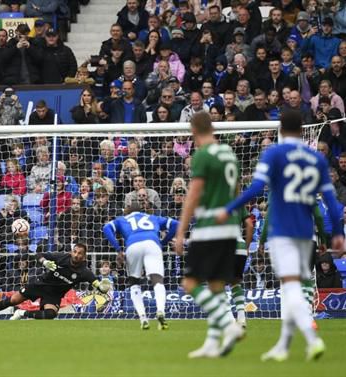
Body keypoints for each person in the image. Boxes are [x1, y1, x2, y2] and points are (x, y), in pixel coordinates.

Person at [216, 109, 344, 361]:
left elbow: (255, 189)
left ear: (281, 128)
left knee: (290, 286)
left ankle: (311, 337)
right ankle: (284, 345)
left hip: (283, 233)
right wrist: (337, 232)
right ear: (301, 128)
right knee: (296, 285)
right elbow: (329, 199)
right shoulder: (315, 158)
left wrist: (229, 208)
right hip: (306, 234)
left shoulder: (273, 153)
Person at [174, 111, 244, 358]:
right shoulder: (229, 153)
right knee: (216, 286)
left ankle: (228, 326)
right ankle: (213, 343)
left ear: (193, 130)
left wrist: (181, 231)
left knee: (190, 283)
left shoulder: (202, 155)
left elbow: (193, 194)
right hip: (231, 227)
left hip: (209, 227)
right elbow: (237, 191)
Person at [0, 243, 111, 320]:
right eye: (75, 251)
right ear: (71, 252)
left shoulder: (84, 272)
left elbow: (97, 285)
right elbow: (39, 254)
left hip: (54, 295)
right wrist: (45, 262)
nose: (76, 255)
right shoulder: (62, 257)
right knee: (13, 300)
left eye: (80, 253)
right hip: (41, 284)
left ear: (84, 256)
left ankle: (22, 314)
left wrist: (102, 287)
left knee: (51, 314)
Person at [103, 201, 177, 330]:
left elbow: (106, 228)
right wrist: (163, 242)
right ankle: (161, 311)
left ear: (129, 210)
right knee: (157, 280)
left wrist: (118, 249)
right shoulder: (153, 217)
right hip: (152, 244)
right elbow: (176, 224)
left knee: (134, 282)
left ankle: (143, 318)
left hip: (133, 245)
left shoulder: (122, 219)